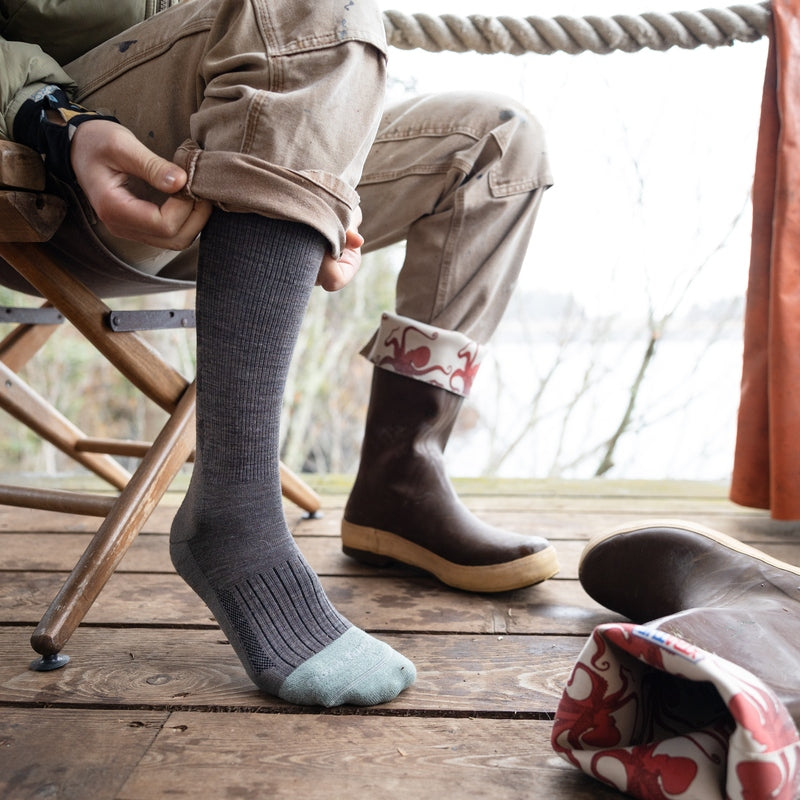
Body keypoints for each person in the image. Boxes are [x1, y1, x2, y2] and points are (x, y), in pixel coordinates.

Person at [0, 0, 555, 706]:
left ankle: (402, 480)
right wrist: (50, 117)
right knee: (305, 7)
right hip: (58, 156)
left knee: (499, 143)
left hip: (234, 146)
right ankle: (234, 512)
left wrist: (325, 174)